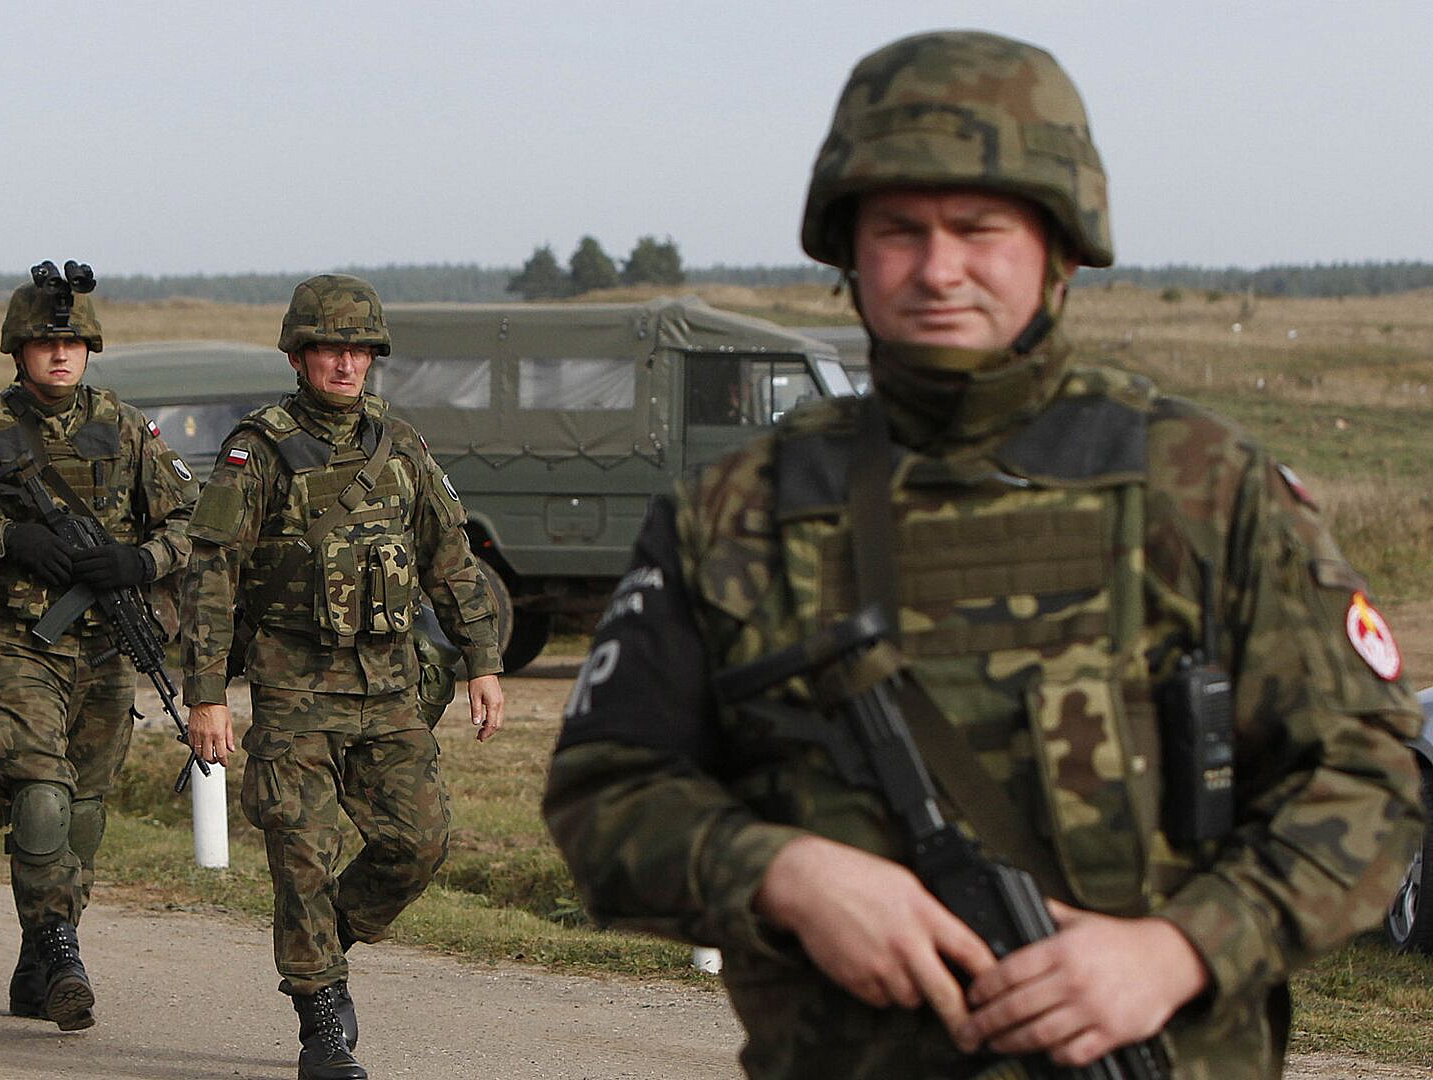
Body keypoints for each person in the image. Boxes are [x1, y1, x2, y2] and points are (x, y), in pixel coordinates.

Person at [541, 30, 1425, 1079]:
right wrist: (786, 873)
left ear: (1058, 246)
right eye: (898, 231)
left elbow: (1371, 769)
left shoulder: (1204, 488)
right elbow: (605, 791)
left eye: (979, 228)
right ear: (848, 253)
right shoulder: (734, 513)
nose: (938, 269)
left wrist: (1183, 947)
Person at [182, 273, 506, 1080]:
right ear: (299, 355)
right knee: (300, 852)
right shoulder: (256, 450)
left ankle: (325, 940)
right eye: (329, 347)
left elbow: (449, 558)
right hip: (294, 691)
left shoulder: (402, 447)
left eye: (359, 349)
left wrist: (483, 662)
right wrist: (208, 695)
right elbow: (213, 576)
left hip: (393, 689)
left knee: (419, 843)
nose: (345, 363)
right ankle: (321, 1019)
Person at [0, 261, 195, 1032]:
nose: (60, 354)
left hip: (107, 648)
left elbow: (190, 526)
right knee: (41, 793)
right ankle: (61, 948)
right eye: (45, 342)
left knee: (83, 815)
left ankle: (33, 962)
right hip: (15, 643)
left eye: (73, 341)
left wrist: (141, 562)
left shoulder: (128, 425)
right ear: (17, 350)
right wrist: (8, 539)